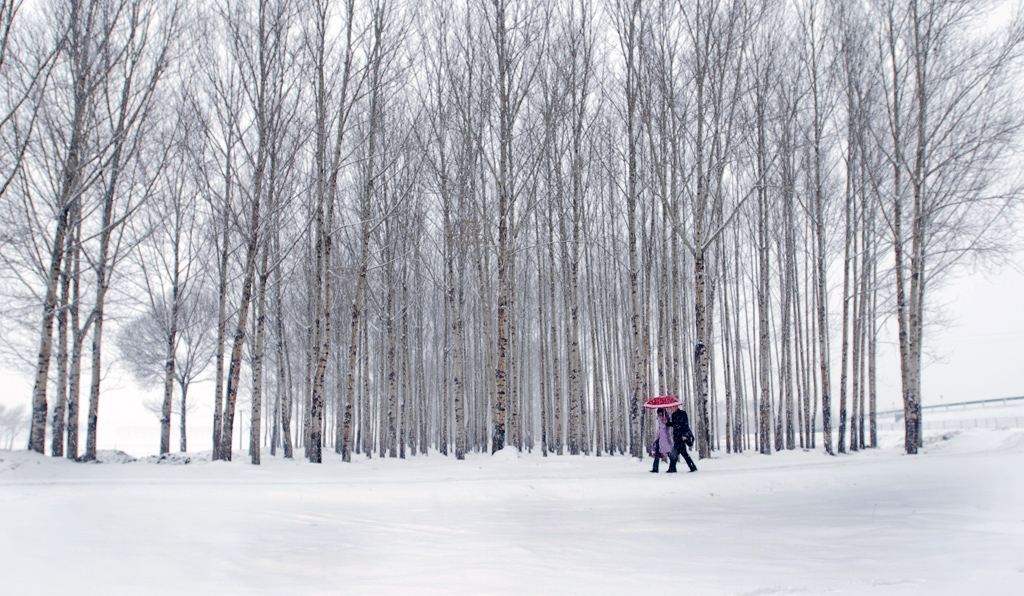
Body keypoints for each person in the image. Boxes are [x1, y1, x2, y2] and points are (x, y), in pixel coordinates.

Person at [667, 405, 697, 473]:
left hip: (681, 437)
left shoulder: (683, 413)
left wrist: (685, 434)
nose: (671, 409)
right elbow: (674, 424)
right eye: (671, 407)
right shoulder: (674, 414)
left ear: (676, 407)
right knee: (684, 453)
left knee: (674, 453)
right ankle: (692, 467)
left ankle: (672, 468)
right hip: (676, 437)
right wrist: (667, 423)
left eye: (673, 407)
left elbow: (685, 425)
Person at [650, 408, 674, 473]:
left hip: (665, 438)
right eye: (659, 413)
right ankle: (655, 468)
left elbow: (667, 427)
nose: (659, 414)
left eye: (660, 412)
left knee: (669, 453)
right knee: (657, 453)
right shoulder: (659, 418)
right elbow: (659, 429)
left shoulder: (666, 417)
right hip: (659, 438)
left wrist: (666, 422)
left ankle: (673, 467)